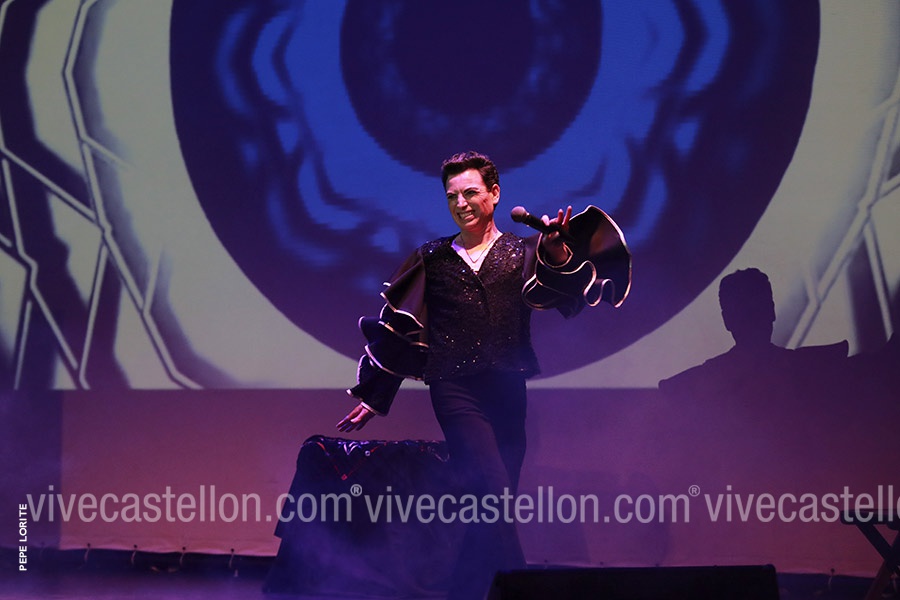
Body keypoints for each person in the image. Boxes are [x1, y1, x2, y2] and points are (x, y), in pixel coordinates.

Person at [337, 150, 629, 600]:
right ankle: (525, 591)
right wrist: (375, 395)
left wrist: (557, 251)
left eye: (470, 192)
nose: (461, 203)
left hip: (508, 389)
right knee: (491, 494)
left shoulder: (522, 252)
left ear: (494, 194)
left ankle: (462, 590)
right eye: (452, 196)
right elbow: (401, 330)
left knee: (492, 507)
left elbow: (564, 293)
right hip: (455, 390)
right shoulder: (432, 258)